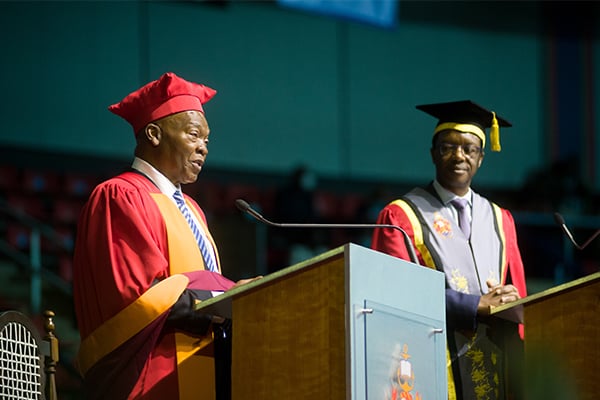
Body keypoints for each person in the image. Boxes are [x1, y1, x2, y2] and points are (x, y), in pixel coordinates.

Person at [72, 72, 260, 400]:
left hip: (201, 366)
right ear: (154, 134)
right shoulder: (120, 195)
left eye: (207, 140)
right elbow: (137, 298)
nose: (203, 147)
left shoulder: (192, 209)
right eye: (192, 135)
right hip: (153, 376)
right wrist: (224, 297)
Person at [371, 100, 527, 400]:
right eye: (447, 147)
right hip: (431, 362)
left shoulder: (499, 218)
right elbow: (394, 295)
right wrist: (475, 304)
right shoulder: (402, 215)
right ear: (433, 154)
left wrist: (511, 302)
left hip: (494, 360)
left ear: (481, 157)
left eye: (469, 149)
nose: (459, 156)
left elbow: (517, 291)